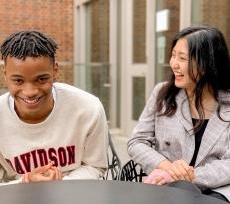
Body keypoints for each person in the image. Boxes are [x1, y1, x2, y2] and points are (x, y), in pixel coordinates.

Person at [127, 26, 230, 202]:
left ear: (208, 63)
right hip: (166, 187)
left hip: (216, 191)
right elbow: (137, 142)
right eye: (173, 55)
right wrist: (168, 168)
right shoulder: (163, 94)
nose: (174, 63)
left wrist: (189, 177)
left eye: (182, 58)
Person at [0, 30, 108, 184]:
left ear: (55, 70)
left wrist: (62, 182)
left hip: (75, 194)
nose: (30, 92)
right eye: (18, 81)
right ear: (5, 74)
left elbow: (96, 166)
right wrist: (26, 182)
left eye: (41, 79)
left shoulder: (88, 108)